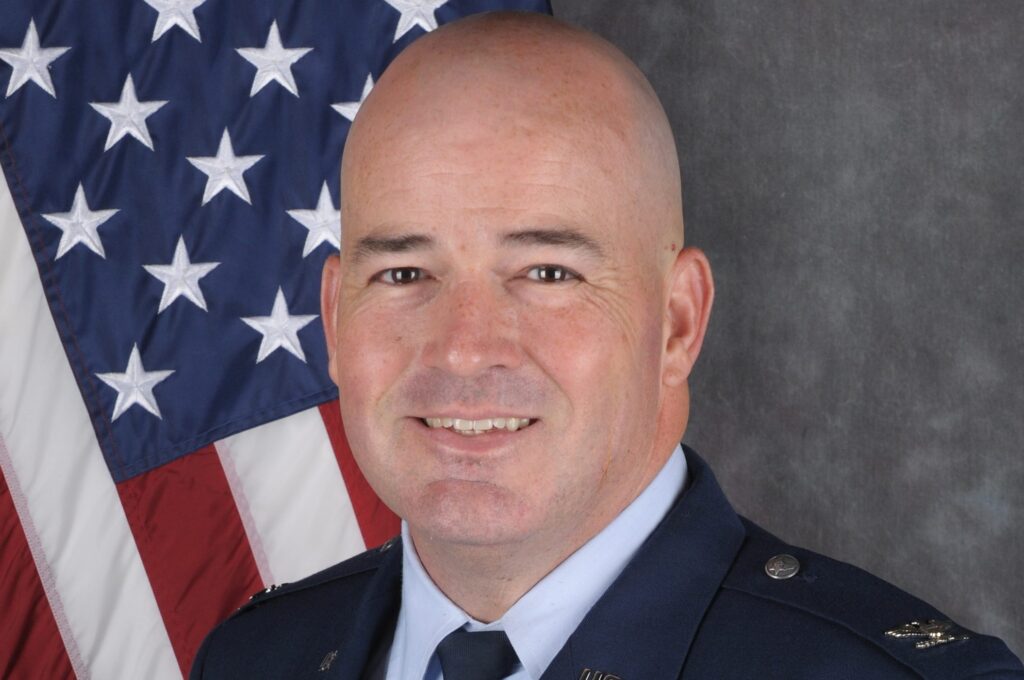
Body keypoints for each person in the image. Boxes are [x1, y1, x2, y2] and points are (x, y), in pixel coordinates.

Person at [190, 11, 1023, 680]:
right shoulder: (252, 659)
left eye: (547, 273)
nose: (464, 350)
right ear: (335, 321)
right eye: (405, 273)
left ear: (678, 323)